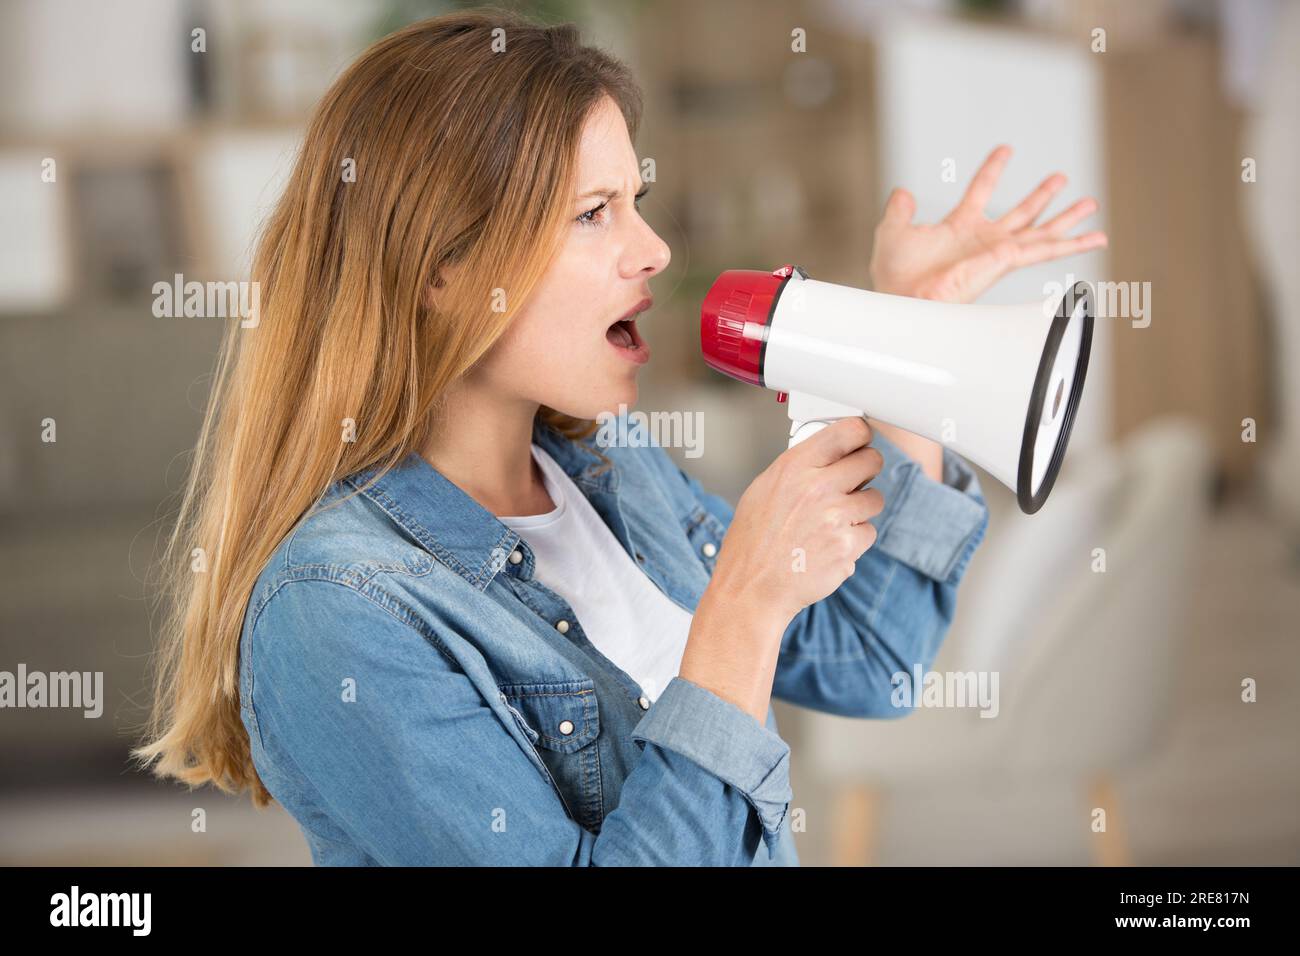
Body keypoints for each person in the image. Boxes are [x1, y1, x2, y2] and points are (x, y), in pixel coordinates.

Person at [134, 10, 1107, 866]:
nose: (655, 251)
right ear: (442, 266)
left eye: (633, 202)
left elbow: (874, 660)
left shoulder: (612, 465)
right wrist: (737, 617)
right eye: (593, 214)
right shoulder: (336, 612)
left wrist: (914, 351)